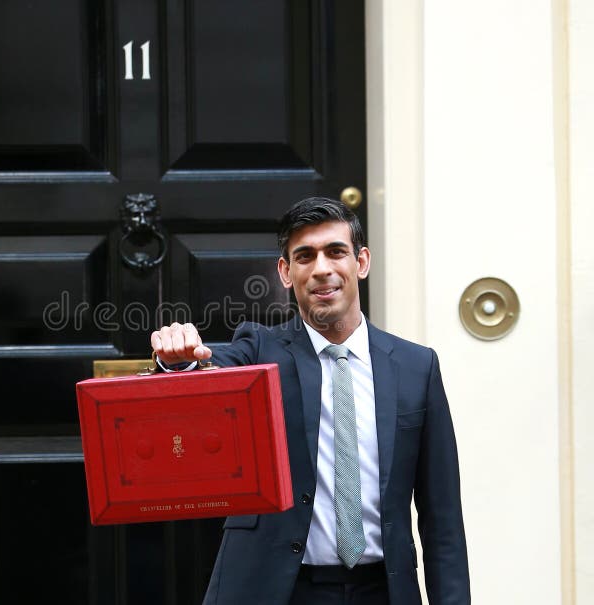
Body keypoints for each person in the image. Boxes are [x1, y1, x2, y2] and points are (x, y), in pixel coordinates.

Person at [150, 197, 470, 605]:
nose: (322, 269)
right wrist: (177, 361)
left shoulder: (416, 367)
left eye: (336, 252)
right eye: (305, 256)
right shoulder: (258, 349)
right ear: (286, 271)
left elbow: (442, 517)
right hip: (276, 589)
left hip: (383, 590)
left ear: (362, 262)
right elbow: (205, 374)